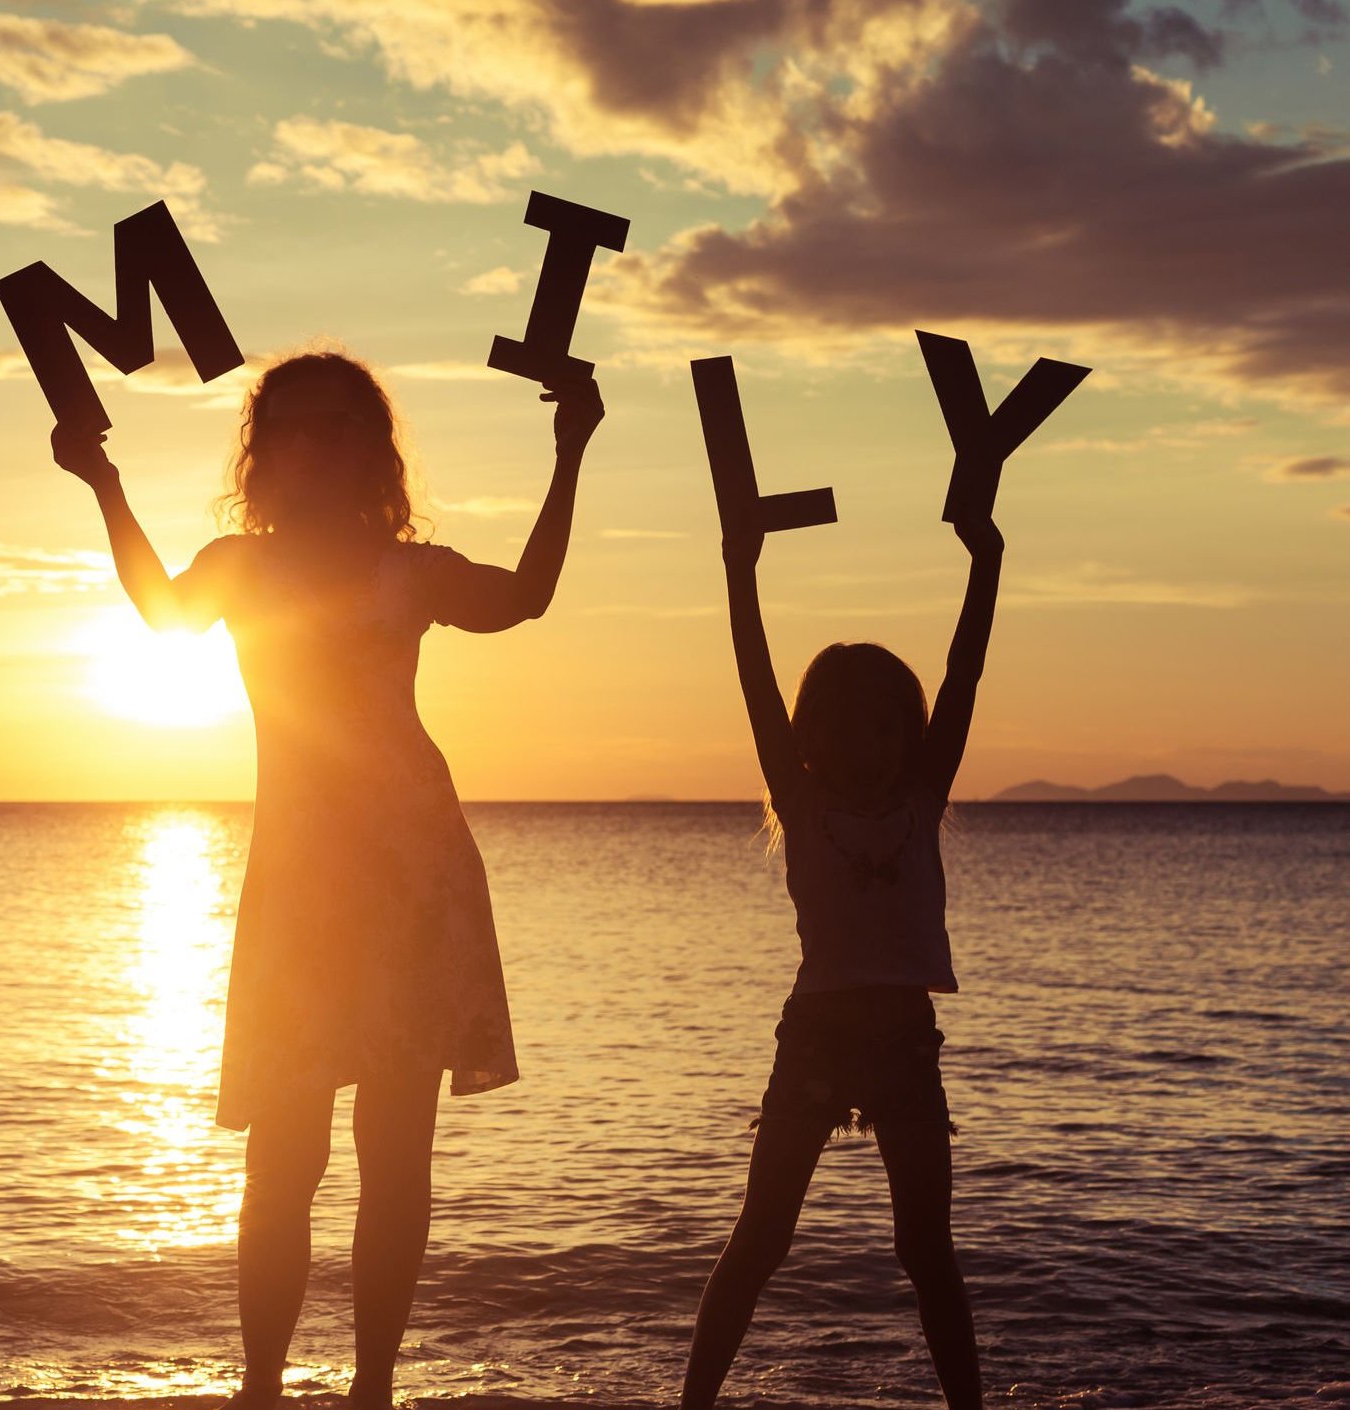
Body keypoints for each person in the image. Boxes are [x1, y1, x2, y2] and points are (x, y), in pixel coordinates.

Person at [50, 351, 603, 1407]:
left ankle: (373, 1390)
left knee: (394, 1157)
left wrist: (572, 447)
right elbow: (164, 615)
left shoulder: (407, 570)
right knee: (284, 1156)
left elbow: (524, 598)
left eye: (341, 425)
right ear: (263, 454)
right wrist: (102, 483)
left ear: (372, 451)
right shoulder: (241, 567)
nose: (317, 445)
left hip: (413, 878)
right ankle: (260, 1385)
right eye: (294, 427)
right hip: (300, 887)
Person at [678, 512, 1003, 1409]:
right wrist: (740, 569)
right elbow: (752, 674)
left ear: (910, 735)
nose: (872, 747)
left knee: (925, 1250)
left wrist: (987, 559)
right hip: (816, 1038)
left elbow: (965, 671)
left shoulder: (921, 798)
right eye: (849, 729)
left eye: (889, 729)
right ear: (810, 737)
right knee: (761, 1238)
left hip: (905, 1041)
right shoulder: (801, 801)